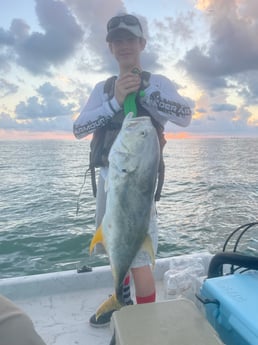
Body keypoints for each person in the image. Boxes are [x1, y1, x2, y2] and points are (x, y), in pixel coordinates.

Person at [73, 13, 192, 327]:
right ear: (111, 48)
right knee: (114, 243)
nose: (124, 45)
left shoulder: (159, 84)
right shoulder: (103, 89)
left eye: (130, 39)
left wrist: (147, 93)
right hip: (110, 179)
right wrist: (115, 101)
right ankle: (120, 303)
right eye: (117, 40)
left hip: (138, 182)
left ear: (142, 43)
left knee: (139, 256)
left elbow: (185, 116)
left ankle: (146, 322)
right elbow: (78, 128)